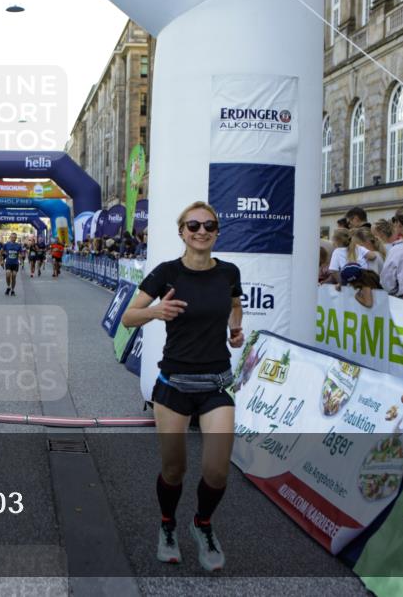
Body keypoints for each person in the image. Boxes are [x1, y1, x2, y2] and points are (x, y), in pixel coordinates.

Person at [121, 201, 244, 572]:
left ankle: (202, 524)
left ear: (217, 231)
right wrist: (154, 311)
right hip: (174, 383)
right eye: (193, 226)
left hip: (216, 383)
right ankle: (168, 525)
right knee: (174, 469)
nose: (201, 231)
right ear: (182, 232)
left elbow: (235, 305)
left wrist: (235, 330)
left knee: (217, 470)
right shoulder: (167, 273)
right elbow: (128, 317)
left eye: (209, 225)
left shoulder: (229, 272)